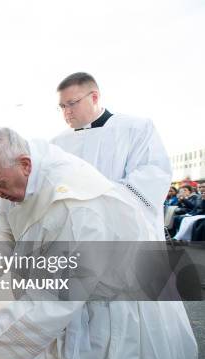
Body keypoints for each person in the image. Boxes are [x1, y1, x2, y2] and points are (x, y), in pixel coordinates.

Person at [0, 127, 198, 359]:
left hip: (111, 307)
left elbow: (54, 297)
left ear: (25, 164)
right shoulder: (18, 176)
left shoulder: (77, 207)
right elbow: (4, 235)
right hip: (67, 294)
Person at [51, 72, 172, 239]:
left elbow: (152, 176)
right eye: (62, 106)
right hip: (76, 235)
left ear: (94, 97)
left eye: (72, 103)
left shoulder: (136, 128)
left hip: (127, 233)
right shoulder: (57, 144)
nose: (67, 112)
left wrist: (93, 201)